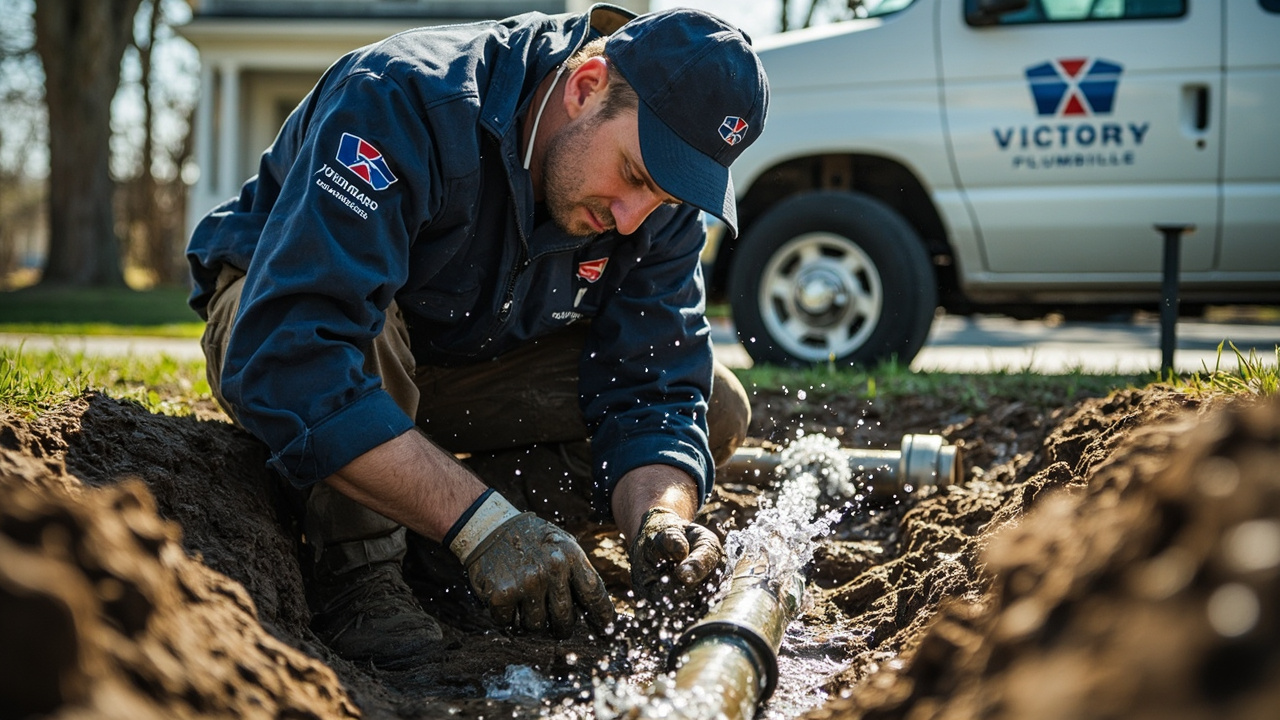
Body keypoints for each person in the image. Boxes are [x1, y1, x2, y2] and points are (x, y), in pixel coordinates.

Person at [186, 4, 769, 669]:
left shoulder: (655, 205)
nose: (633, 219)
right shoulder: (404, 97)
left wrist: (659, 519)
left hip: (461, 366)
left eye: (663, 198)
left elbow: (656, 387)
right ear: (586, 88)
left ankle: (436, 553)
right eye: (634, 175)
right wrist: (483, 523)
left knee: (716, 405)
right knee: (362, 328)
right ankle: (360, 578)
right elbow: (296, 350)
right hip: (282, 328)